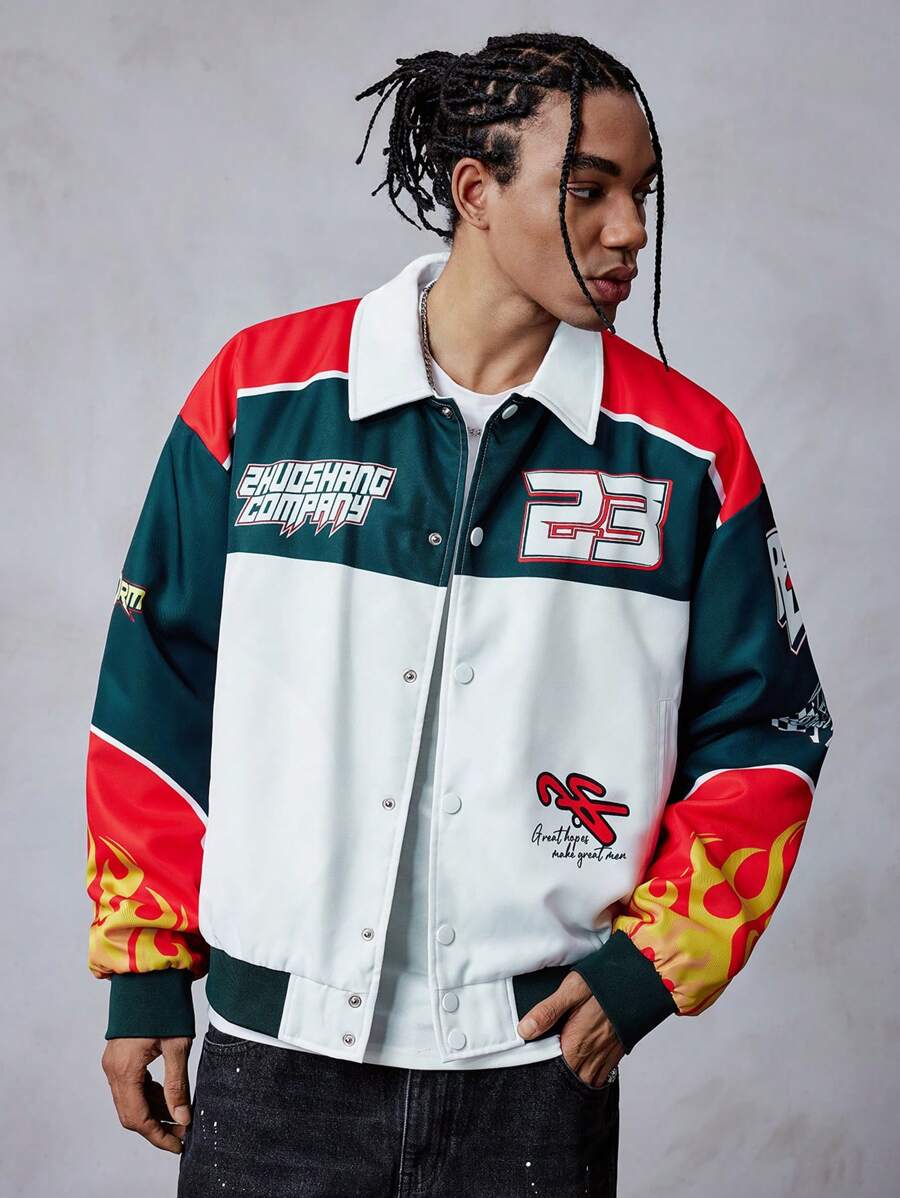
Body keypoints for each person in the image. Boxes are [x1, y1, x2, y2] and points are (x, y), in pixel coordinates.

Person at [85, 31, 835, 1197]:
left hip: (532, 1066)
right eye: (588, 191)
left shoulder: (690, 451)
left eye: (642, 194)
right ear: (475, 191)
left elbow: (771, 728)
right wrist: (144, 968)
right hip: (274, 1064)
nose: (630, 231)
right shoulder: (261, 393)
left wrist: (653, 965)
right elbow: (153, 690)